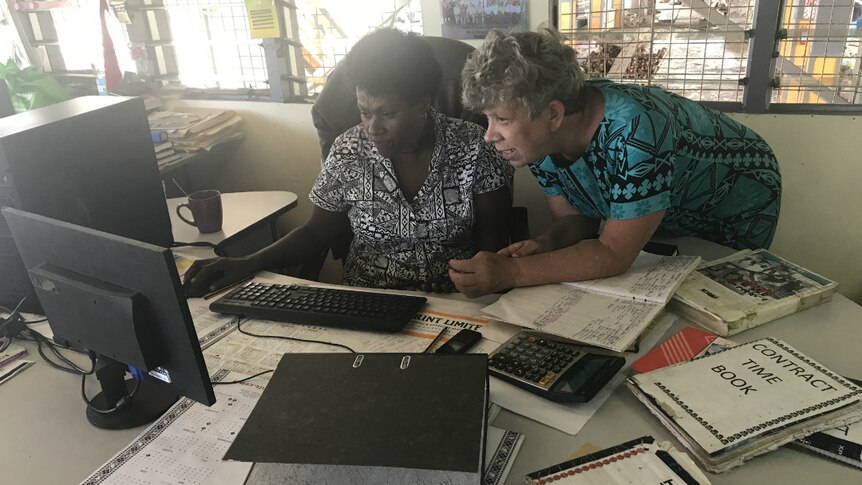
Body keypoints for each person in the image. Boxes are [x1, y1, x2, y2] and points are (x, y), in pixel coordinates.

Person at [448, 28, 781, 298]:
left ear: (553, 114)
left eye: (502, 119)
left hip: (732, 199)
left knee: (714, 300)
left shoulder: (635, 130)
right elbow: (579, 219)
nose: (489, 135)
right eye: (488, 119)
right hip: (665, 206)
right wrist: (546, 243)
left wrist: (512, 272)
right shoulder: (539, 140)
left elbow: (614, 254)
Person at [183, 28, 513, 297]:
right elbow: (315, 233)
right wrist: (248, 262)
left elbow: (494, 244)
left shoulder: (473, 146)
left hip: (455, 301)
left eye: (388, 113)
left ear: (423, 102)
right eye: (364, 112)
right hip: (368, 300)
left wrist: (465, 283)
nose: (373, 128)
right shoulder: (349, 150)